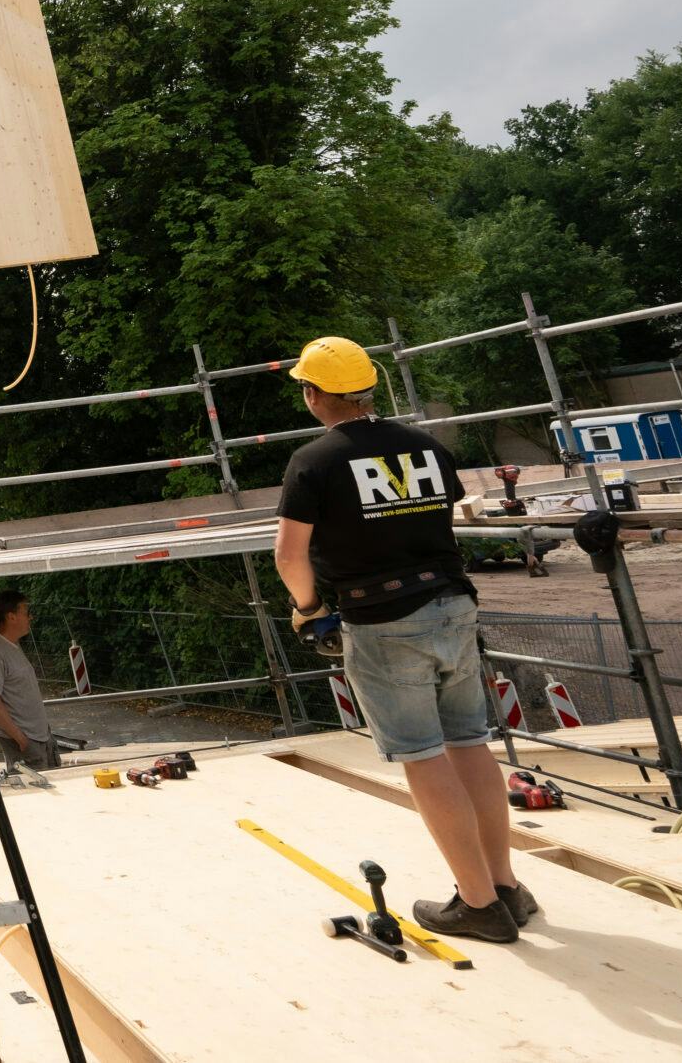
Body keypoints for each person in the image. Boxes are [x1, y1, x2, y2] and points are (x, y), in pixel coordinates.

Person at [271, 334, 533, 945]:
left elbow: (289, 554)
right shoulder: (425, 446)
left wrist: (308, 610)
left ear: (314, 395)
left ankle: (476, 905)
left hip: (383, 619)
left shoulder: (314, 461)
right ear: (366, 389)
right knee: (470, 744)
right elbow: (443, 514)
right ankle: (505, 888)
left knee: (421, 754)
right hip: (453, 604)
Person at [0, 590, 57, 770]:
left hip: (39, 736)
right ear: (11, 617)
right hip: (26, 741)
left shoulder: (12, 645)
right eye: (26, 612)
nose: (31, 617)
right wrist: (21, 740)